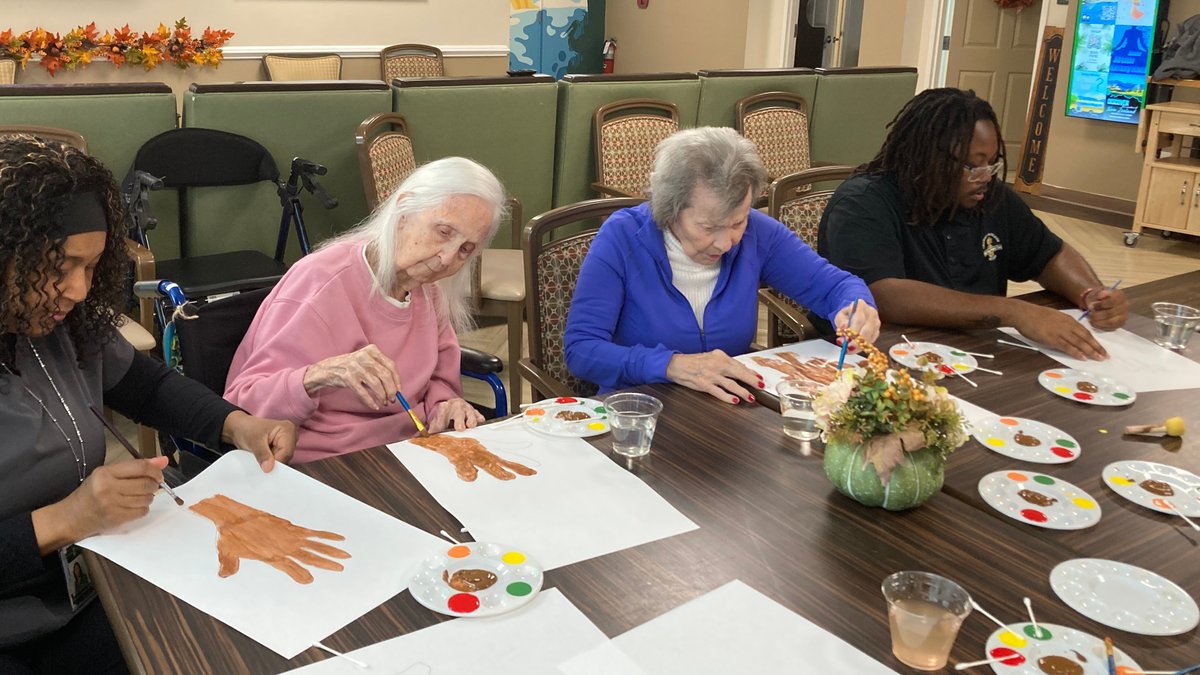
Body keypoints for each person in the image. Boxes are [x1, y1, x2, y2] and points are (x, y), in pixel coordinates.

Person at [0, 135, 296, 674]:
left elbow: (148, 387)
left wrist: (237, 425)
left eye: (92, 267)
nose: (78, 290)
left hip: (86, 579)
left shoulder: (57, 325)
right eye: (60, 265)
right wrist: (64, 519)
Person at [564, 127, 879, 403]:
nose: (726, 243)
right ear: (669, 208)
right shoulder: (622, 237)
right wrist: (671, 365)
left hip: (727, 412)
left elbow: (836, 286)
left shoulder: (758, 233)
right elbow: (582, 350)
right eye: (708, 227)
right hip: (637, 412)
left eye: (737, 222)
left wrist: (855, 307)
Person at [225, 157, 508, 463]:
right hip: (330, 462)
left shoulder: (429, 292)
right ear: (404, 210)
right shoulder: (319, 282)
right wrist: (319, 375)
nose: (447, 258)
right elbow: (243, 405)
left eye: (466, 249)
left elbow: (440, 381)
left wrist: (446, 405)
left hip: (411, 452)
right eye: (443, 231)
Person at [818, 88, 1129, 360]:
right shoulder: (863, 202)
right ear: (927, 158)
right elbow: (884, 296)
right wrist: (1013, 311)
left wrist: (1090, 293)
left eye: (991, 163)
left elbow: (1048, 254)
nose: (986, 177)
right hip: (877, 356)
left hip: (974, 355)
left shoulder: (992, 199)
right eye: (973, 165)